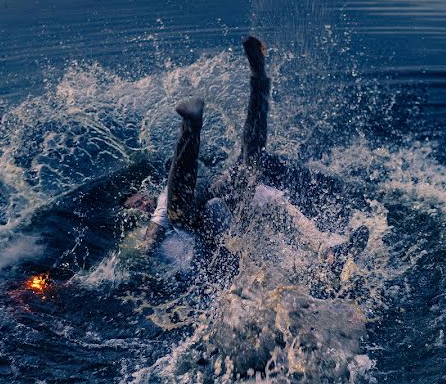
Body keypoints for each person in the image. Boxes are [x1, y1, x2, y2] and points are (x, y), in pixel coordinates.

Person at [135, 36, 369, 264]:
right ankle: (248, 84)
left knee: (246, 167)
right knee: (246, 167)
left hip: (213, 216)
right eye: (136, 206)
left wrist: (322, 247)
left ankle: (204, 116)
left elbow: (153, 234)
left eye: (138, 201)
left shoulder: (165, 202)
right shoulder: (170, 203)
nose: (142, 204)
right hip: (213, 221)